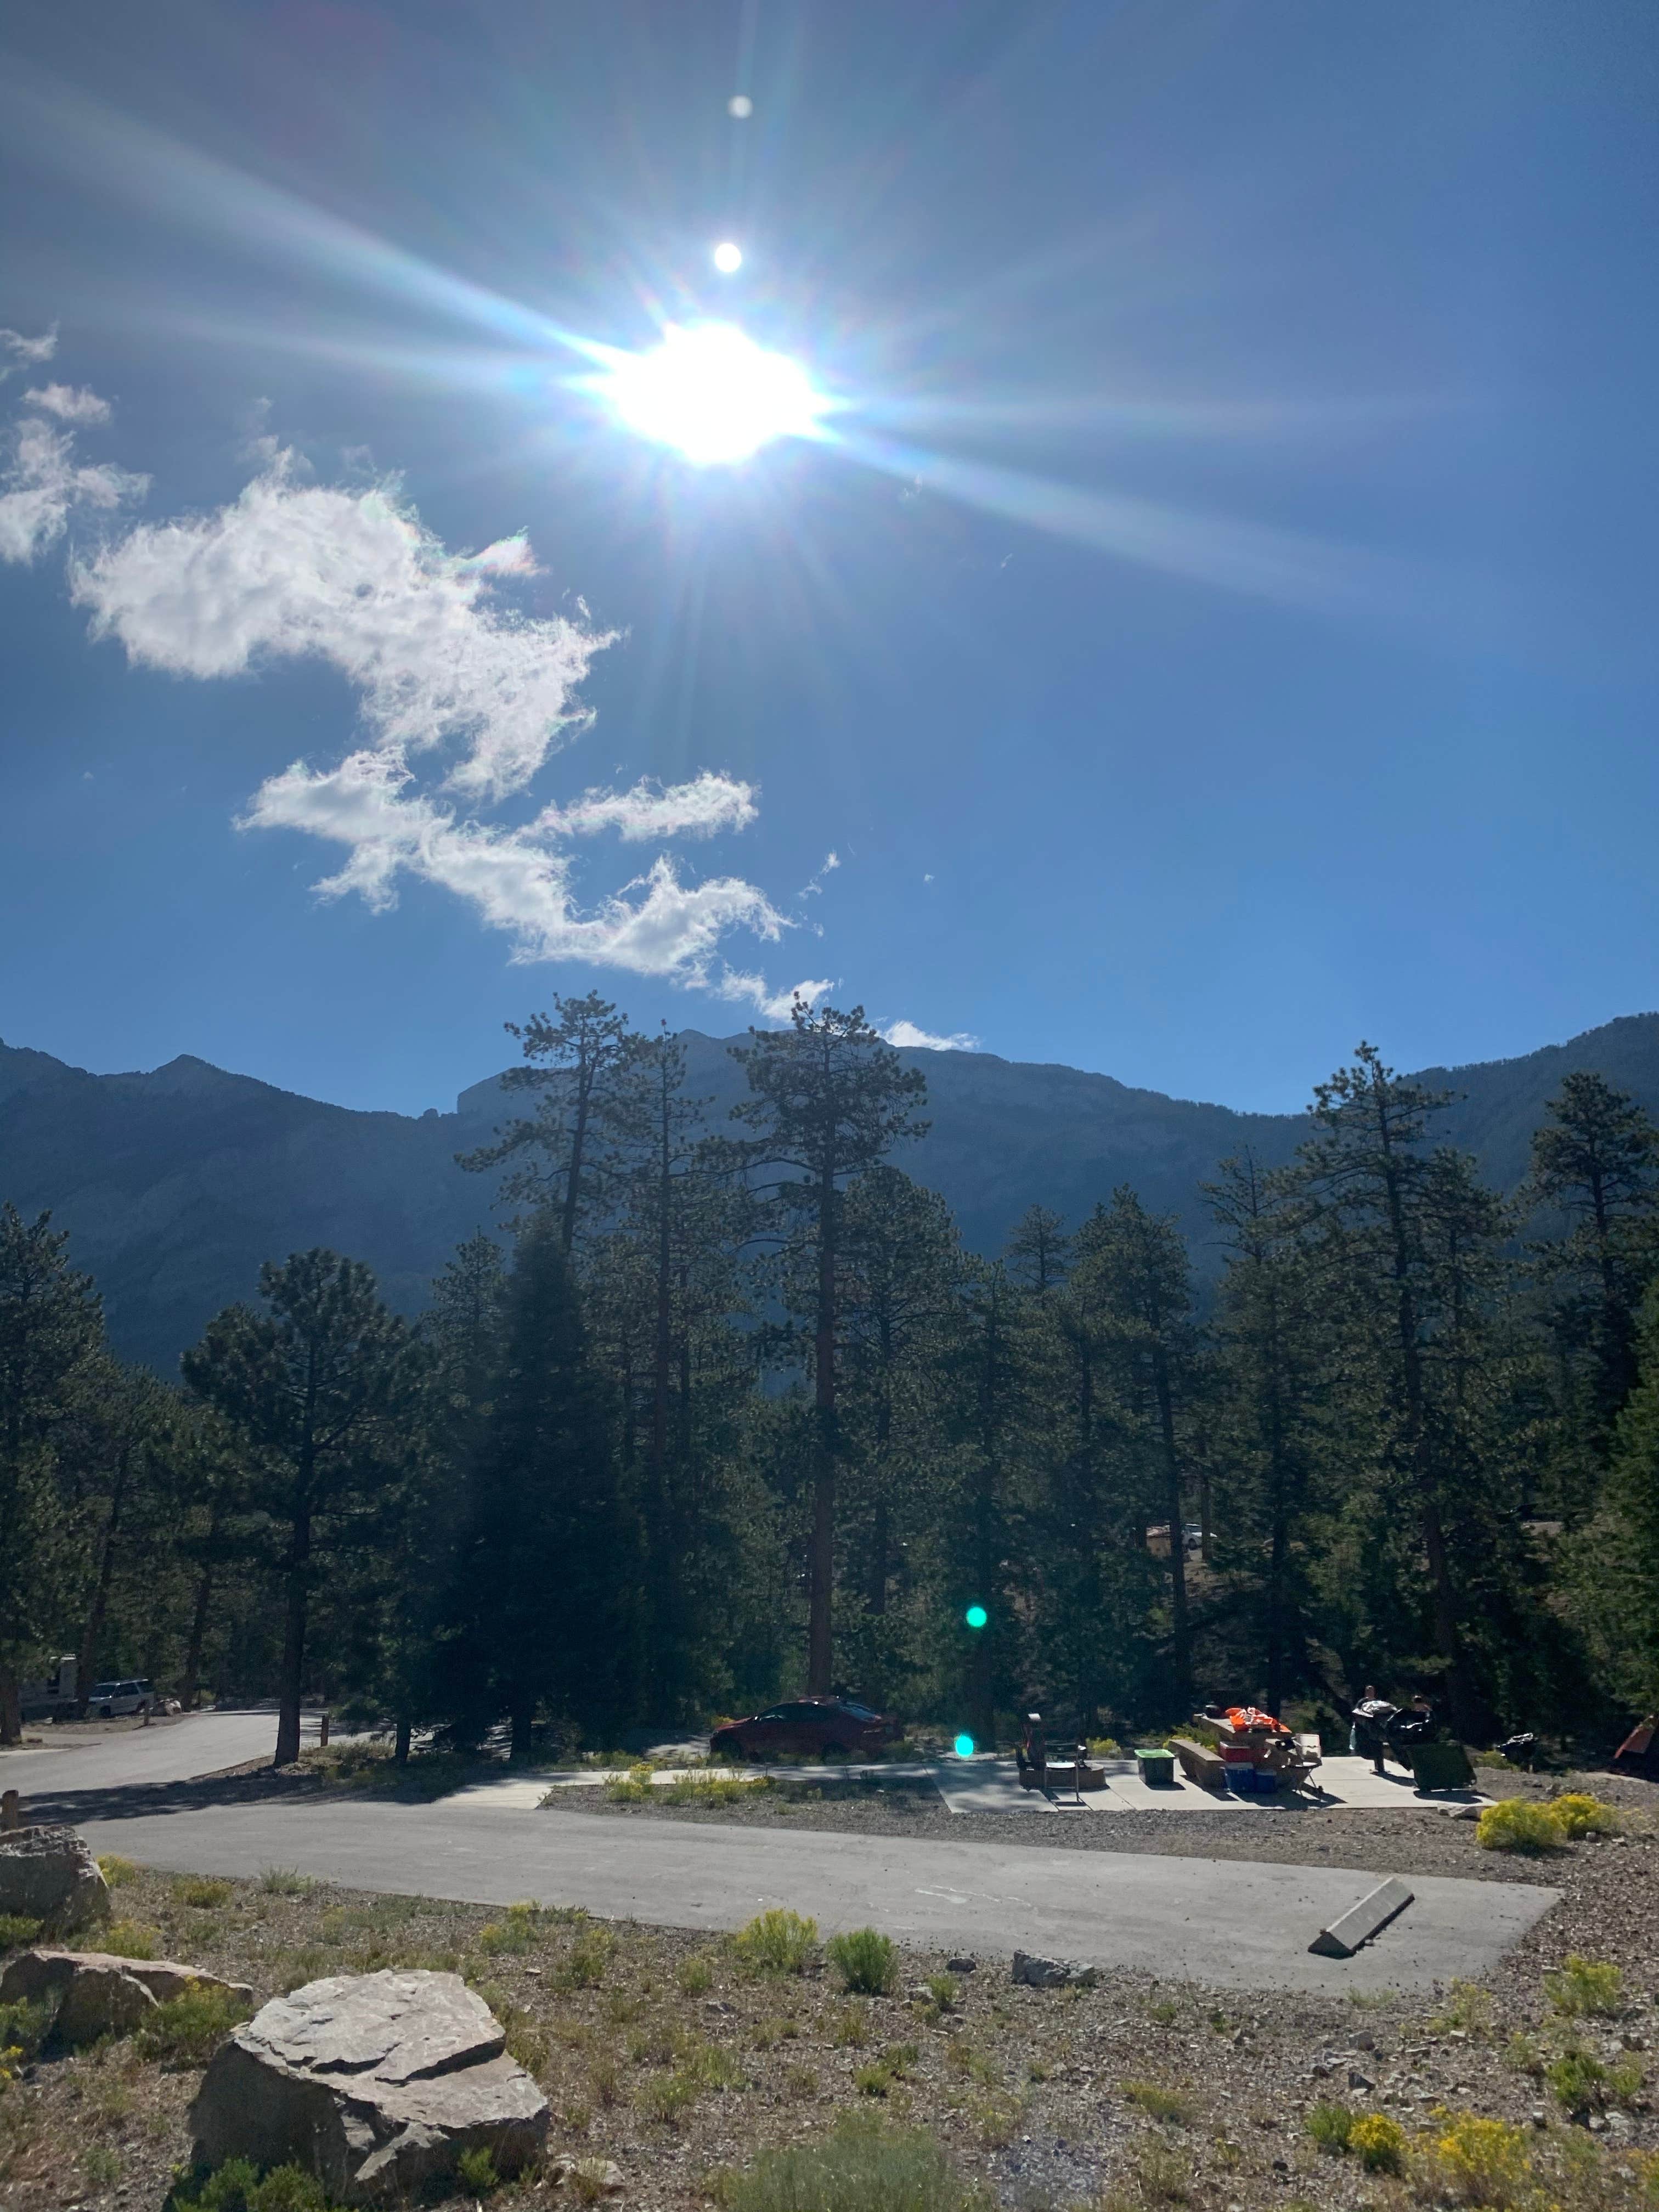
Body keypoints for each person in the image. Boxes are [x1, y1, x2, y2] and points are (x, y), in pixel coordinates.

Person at [1351, 1688, 1401, 1775]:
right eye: (1369, 1691)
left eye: (1372, 1691)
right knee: (1373, 1747)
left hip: (1377, 1729)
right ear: (1366, 1692)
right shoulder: (1362, 1702)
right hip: (1366, 1729)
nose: (1371, 1693)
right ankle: (1379, 1767)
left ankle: (1380, 1768)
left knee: (1378, 1747)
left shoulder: (1378, 1703)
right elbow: (1358, 1714)